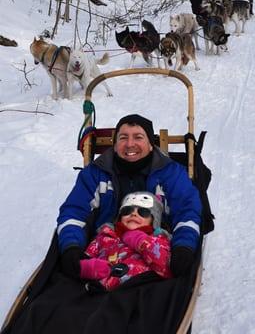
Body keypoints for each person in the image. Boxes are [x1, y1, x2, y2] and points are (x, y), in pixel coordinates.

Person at [57, 114, 202, 281]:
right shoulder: (95, 173)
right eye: (123, 137)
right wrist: (71, 247)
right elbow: (74, 212)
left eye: (138, 137)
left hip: (156, 250)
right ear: (115, 144)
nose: (130, 144)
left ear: (150, 145)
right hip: (104, 248)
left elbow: (187, 211)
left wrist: (183, 246)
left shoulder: (171, 173)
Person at [79, 191, 172, 290]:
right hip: (100, 291)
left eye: (143, 212)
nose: (134, 214)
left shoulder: (158, 239)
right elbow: (86, 258)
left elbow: (165, 267)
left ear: (154, 220)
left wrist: (140, 241)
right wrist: (87, 268)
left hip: (138, 291)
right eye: (127, 211)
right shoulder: (105, 236)